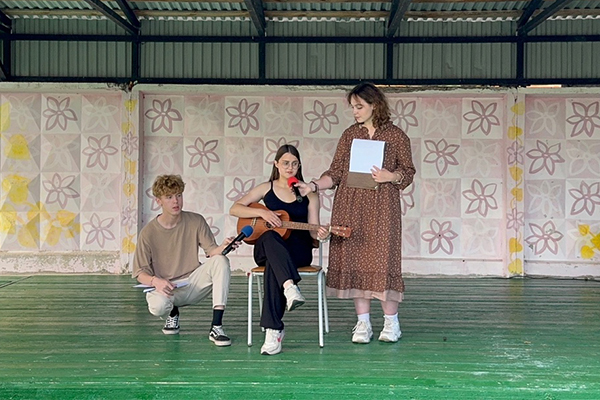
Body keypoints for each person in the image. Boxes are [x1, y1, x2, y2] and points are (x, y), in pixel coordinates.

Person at [296, 82, 416, 344]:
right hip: (350, 205)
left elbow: (408, 172)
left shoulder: (396, 136)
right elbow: (336, 173)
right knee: (356, 259)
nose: (355, 112)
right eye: (353, 107)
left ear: (375, 105)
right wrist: (313, 185)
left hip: (382, 207)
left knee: (383, 259)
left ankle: (391, 323)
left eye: (359, 106)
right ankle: (363, 323)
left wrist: (390, 176)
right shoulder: (350, 135)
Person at [229, 144, 329, 355]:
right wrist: (263, 214)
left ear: (299, 166)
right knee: (269, 236)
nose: (290, 167)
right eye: (285, 163)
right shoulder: (266, 188)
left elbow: (313, 231)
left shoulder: (309, 194)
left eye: (294, 163)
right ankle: (290, 288)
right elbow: (235, 208)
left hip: (298, 251)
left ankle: (273, 330)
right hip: (267, 247)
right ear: (276, 164)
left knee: (274, 267)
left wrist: (322, 234)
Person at [132, 174, 239, 346]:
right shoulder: (148, 233)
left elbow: (212, 252)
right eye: (169, 197)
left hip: (191, 283)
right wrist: (156, 281)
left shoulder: (196, 220)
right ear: (158, 201)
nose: (176, 201)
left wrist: (225, 246)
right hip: (165, 288)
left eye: (179, 195)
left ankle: (216, 326)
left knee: (221, 261)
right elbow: (139, 273)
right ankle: (172, 312)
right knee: (158, 307)